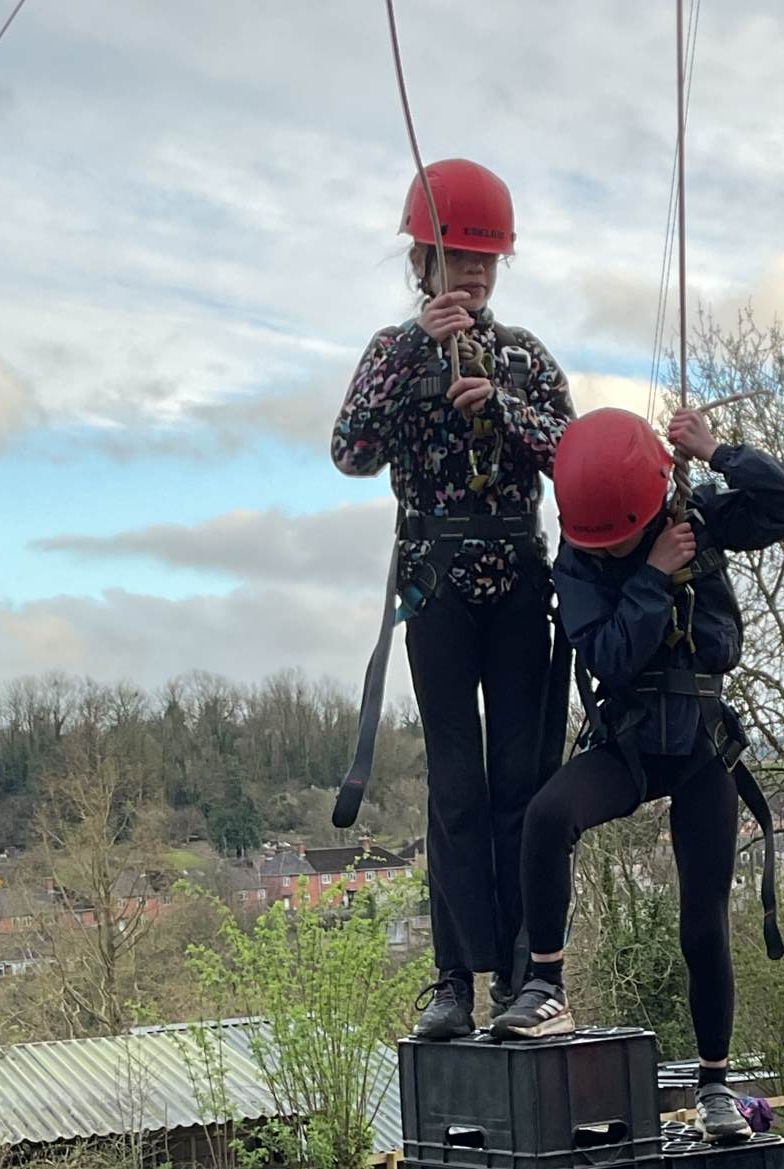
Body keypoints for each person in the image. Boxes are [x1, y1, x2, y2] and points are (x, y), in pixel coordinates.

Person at [490, 406, 784, 1142]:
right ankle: (544, 983)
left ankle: (715, 1086)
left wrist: (719, 451)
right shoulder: (581, 559)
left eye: (623, 537)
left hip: (701, 744)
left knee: (703, 922)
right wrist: (650, 574)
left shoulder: (695, 517)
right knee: (548, 817)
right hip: (631, 738)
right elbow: (608, 657)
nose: (611, 548)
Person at [332, 158, 574, 1039]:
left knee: (523, 783)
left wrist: (503, 407)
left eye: (485, 261)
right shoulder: (391, 352)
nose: (473, 273)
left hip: (518, 580)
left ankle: (529, 975)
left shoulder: (525, 356)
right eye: (457, 258)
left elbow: (574, 455)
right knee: (456, 788)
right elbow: (351, 451)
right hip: (435, 581)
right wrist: (414, 355)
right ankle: (452, 981)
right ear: (422, 262)